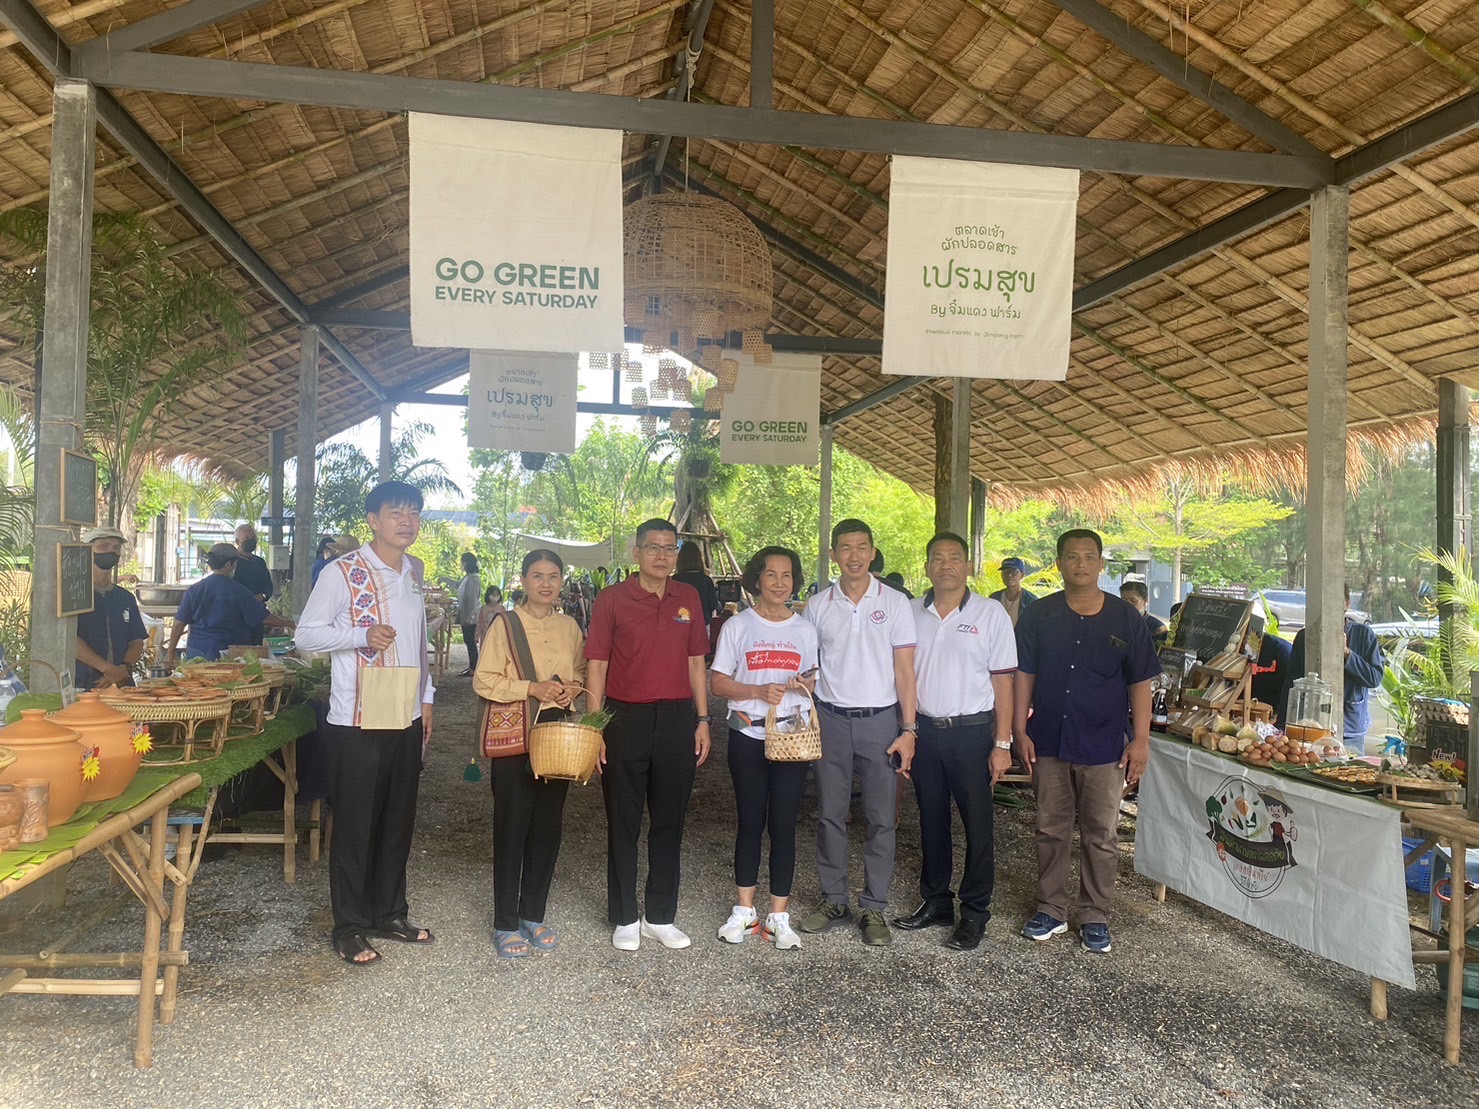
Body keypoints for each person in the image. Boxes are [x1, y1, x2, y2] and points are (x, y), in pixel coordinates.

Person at [296, 481, 437, 967]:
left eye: (415, 512)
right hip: (356, 715)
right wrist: (360, 635)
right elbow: (306, 635)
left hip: (406, 710)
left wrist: (429, 699)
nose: (408, 520)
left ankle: (390, 912)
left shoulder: (414, 572)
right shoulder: (343, 572)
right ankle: (350, 926)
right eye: (396, 512)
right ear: (373, 520)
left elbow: (418, 640)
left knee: (398, 817)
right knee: (355, 823)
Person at [1014, 529, 1159, 956]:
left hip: (1105, 745)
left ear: (1100, 565)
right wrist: (1019, 730)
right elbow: (1024, 674)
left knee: (1101, 833)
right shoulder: (1038, 615)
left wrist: (1142, 741)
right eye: (1072, 557)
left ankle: (1094, 914)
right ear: (1059, 563)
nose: (1080, 564)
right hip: (1049, 741)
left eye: (1089, 557)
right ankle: (1050, 909)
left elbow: (1140, 682)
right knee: (1050, 829)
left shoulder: (1125, 618)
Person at [585, 518, 712, 952]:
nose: (662, 555)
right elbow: (597, 666)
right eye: (653, 548)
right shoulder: (612, 599)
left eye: (670, 548)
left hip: (677, 719)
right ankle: (624, 915)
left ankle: (660, 915)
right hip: (623, 719)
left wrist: (703, 720)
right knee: (623, 819)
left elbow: (697, 662)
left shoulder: (689, 597)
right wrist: (595, 726)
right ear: (635, 554)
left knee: (669, 820)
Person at [799, 518, 917, 947]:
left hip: (882, 721)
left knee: (881, 817)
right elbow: (808, 667)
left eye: (861, 547)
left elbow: (905, 670)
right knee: (830, 813)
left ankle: (874, 906)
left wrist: (909, 728)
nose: (853, 555)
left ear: (872, 553)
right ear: (833, 555)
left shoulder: (896, 602)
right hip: (830, 718)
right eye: (844, 548)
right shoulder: (817, 605)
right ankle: (834, 900)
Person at [896, 532, 1017, 951]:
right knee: (931, 821)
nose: (945, 565)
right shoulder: (909, 612)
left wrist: (1003, 743)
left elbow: (1004, 683)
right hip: (924, 731)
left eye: (954, 558)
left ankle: (975, 912)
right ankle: (936, 902)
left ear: (969, 566)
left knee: (977, 825)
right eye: (937, 558)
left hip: (972, 734)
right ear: (926, 565)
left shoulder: (991, 613)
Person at [472, 549, 585, 959]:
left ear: (561, 582)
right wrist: (531, 688)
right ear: (522, 581)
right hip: (516, 733)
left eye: (553, 576)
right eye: (537, 576)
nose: (546, 584)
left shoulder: (571, 626)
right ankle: (505, 922)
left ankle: (533, 914)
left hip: (557, 734)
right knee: (512, 825)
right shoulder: (505, 624)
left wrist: (571, 688)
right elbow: (484, 680)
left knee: (547, 827)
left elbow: (580, 672)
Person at [709, 546, 818, 952]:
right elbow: (717, 683)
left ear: (794, 581)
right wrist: (756, 689)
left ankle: (779, 917)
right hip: (746, 733)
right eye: (770, 575)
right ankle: (744, 911)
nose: (778, 583)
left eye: (786, 575)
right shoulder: (739, 626)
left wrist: (802, 683)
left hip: (791, 737)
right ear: (757, 579)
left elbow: (814, 679)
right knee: (750, 822)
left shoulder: (805, 630)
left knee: (785, 826)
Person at [1278, 585, 1384, 755]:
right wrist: (1282, 725)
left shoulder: (1364, 635)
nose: (1329, 606)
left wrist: (1347, 654)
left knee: (1349, 776)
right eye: (1324, 601)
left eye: (1336, 601)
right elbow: (1290, 685)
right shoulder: (1305, 637)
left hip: (1350, 730)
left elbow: (1374, 678)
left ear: (1346, 604)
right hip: (1309, 727)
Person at [167, 543, 292, 665]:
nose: (236, 567)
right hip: (230, 659)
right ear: (229, 564)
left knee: (197, 685)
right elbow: (265, 618)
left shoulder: (195, 590)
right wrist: (289, 623)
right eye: (236, 564)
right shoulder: (239, 592)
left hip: (197, 657)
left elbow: (179, 623)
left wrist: (170, 654)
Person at [74, 527, 147, 690]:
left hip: (122, 684)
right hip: (84, 684)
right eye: (103, 546)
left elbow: (137, 641)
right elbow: (70, 639)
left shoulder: (124, 598)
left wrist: (122, 669)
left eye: (116, 548)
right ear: (87, 551)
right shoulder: (75, 595)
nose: (110, 552)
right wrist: (107, 669)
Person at [232, 524, 275, 645]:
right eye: (246, 538)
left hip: (257, 615)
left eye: (253, 538)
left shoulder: (259, 562)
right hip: (238, 616)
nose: (250, 541)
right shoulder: (232, 563)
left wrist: (261, 596)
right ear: (237, 541)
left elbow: (268, 587)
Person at [673, 542, 719, 629]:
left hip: (677, 625)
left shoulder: (674, 581)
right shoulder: (706, 580)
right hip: (702, 625)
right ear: (699, 559)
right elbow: (713, 604)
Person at [456, 552, 483, 677]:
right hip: (466, 615)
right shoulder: (468, 577)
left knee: (471, 642)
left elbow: (472, 601)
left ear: (466, 563)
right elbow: (457, 585)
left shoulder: (474, 579)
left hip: (470, 617)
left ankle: (473, 668)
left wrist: (469, 618)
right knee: (468, 641)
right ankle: (471, 666)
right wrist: (444, 579)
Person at [989, 557, 1038, 627]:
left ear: (1022, 575)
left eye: (1014, 572)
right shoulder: (994, 598)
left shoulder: (1030, 600)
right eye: (1005, 572)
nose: (1009, 575)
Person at [1119, 579, 1169, 646]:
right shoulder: (1114, 623)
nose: (1127, 605)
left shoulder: (1158, 628)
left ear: (1145, 601)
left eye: (1133, 601)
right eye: (1124, 600)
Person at [475, 584, 505, 648]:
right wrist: (477, 636)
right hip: (486, 636)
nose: (495, 597)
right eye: (493, 595)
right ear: (488, 595)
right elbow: (480, 623)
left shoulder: (502, 609)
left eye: (497, 595)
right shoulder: (484, 608)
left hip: (498, 636)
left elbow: (505, 623)